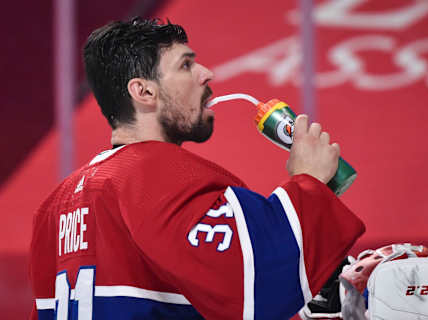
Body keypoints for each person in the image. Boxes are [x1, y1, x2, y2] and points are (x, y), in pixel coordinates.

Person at [29, 17, 365, 320]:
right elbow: (253, 286)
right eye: (186, 65)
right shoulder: (156, 174)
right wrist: (309, 182)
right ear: (144, 91)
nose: (207, 73)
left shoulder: (53, 206)